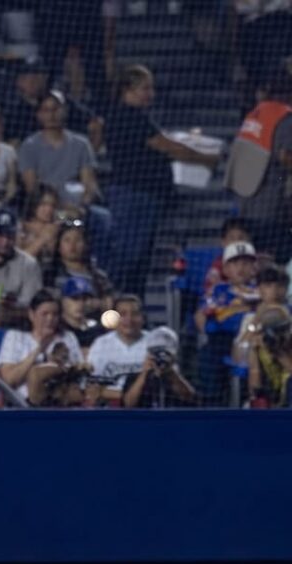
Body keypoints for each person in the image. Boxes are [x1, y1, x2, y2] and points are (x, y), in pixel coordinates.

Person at [104, 64, 218, 297]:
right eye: (145, 88)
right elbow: (167, 146)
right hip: (134, 197)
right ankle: (119, 306)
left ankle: (134, 307)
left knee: (140, 259)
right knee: (130, 258)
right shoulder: (127, 116)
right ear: (128, 89)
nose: (150, 94)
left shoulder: (133, 116)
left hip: (142, 197)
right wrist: (206, 158)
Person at [225, 71, 292, 262]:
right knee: (274, 260)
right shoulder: (285, 118)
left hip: (247, 202)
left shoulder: (256, 114)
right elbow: (286, 156)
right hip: (272, 206)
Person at [196, 241, 260, 405]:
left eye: (246, 262)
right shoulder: (218, 290)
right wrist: (205, 329)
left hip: (254, 341)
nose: (241, 267)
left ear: (254, 267)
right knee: (209, 353)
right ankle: (211, 405)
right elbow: (202, 314)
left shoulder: (261, 290)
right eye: (235, 262)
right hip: (222, 341)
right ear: (225, 269)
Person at [0, 288, 84, 403]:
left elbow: (79, 373)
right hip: (22, 404)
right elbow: (9, 380)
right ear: (32, 315)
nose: (50, 319)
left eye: (55, 314)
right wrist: (38, 350)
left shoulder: (68, 337)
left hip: (62, 402)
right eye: (45, 314)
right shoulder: (15, 337)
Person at [18, 91, 101, 208]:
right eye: (46, 110)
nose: (51, 115)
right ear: (39, 115)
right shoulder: (29, 146)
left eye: (56, 109)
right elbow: (32, 188)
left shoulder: (81, 144)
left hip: (77, 206)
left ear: (65, 111)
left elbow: (89, 184)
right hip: (45, 207)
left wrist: (81, 207)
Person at [86, 294, 152, 403]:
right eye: (123, 314)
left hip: (145, 406)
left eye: (135, 314)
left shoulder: (154, 342)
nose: (129, 319)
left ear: (143, 318)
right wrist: (124, 396)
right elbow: (92, 387)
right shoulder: (101, 344)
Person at [45, 220, 114, 312]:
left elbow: (109, 302)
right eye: (67, 240)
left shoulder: (99, 277)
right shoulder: (49, 273)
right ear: (58, 246)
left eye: (77, 240)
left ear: (85, 245)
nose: (72, 245)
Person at [121, 326, 197, 408]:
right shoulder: (134, 378)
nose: (161, 357)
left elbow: (190, 398)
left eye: (166, 353)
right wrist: (144, 374)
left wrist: (172, 373)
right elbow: (128, 404)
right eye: (156, 353)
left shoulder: (185, 375)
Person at [59, 276, 108, 351]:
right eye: (75, 298)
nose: (81, 304)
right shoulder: (58, 329)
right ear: (63, 300)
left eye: (84, 299)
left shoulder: (97, 329)